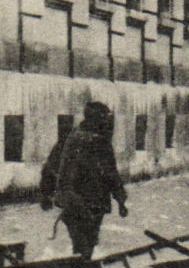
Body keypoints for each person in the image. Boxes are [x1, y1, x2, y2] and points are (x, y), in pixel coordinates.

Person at [39, 101, 128, 258]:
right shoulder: (100, 143)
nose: (107, 123)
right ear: (96, 119)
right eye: (104, 119)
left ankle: (80, 264)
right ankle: (82, 265)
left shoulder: (69, 138)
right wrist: (120, 200)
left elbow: (50, 167)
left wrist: (46, 194)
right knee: (87, 243)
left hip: (74, 201)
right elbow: (111, 174)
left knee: (81, 243)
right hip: (91, 202)